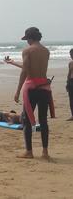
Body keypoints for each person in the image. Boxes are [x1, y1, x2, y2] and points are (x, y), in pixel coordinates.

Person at [6, 27, 55, 159]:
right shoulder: (46, 51)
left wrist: (17, 91)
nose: (26, 41)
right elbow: (33, 67)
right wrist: (13, 63)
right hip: (45, 88)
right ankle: (45, 152)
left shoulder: (27, 50)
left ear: (30, 38)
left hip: (32, 89)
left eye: (27, 39)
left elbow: (25, 71)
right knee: (43, 120)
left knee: (26, 120)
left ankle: (29, 152)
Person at [66, 48, 73, 121]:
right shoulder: (70, 63)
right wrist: (67, 83)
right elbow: (69, 73)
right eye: (70, 55)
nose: (71, 56)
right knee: (71, 99)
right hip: (71, 81)